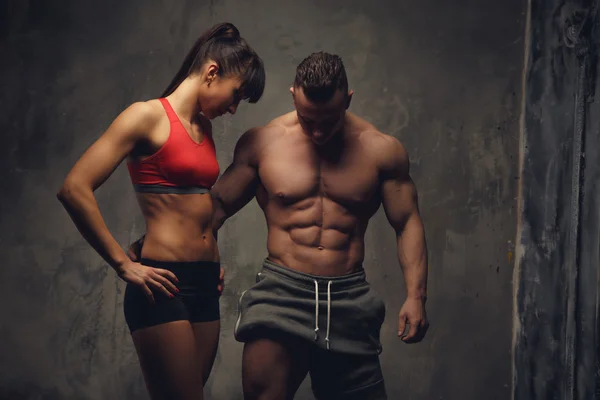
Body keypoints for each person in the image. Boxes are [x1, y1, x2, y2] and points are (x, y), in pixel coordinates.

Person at [57, 22, 265, 400]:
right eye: (235, 96)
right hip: (162, 283)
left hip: (204, 283)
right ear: (212, 72)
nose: (234, 109)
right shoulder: (146, 116)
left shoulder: (201, 125)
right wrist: (123, 263)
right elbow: (74, 188)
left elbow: (184, 205)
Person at [211, 51, 430, 400]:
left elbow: (406, 223)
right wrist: (178, 251)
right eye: (306, 119)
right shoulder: (263, 143)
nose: (317, 131)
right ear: (293, 95)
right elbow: (216, 208)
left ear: (348, 99)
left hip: (349, 298)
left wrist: (415, 296)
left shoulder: (381, 151)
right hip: (281, 292)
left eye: (328, 121)